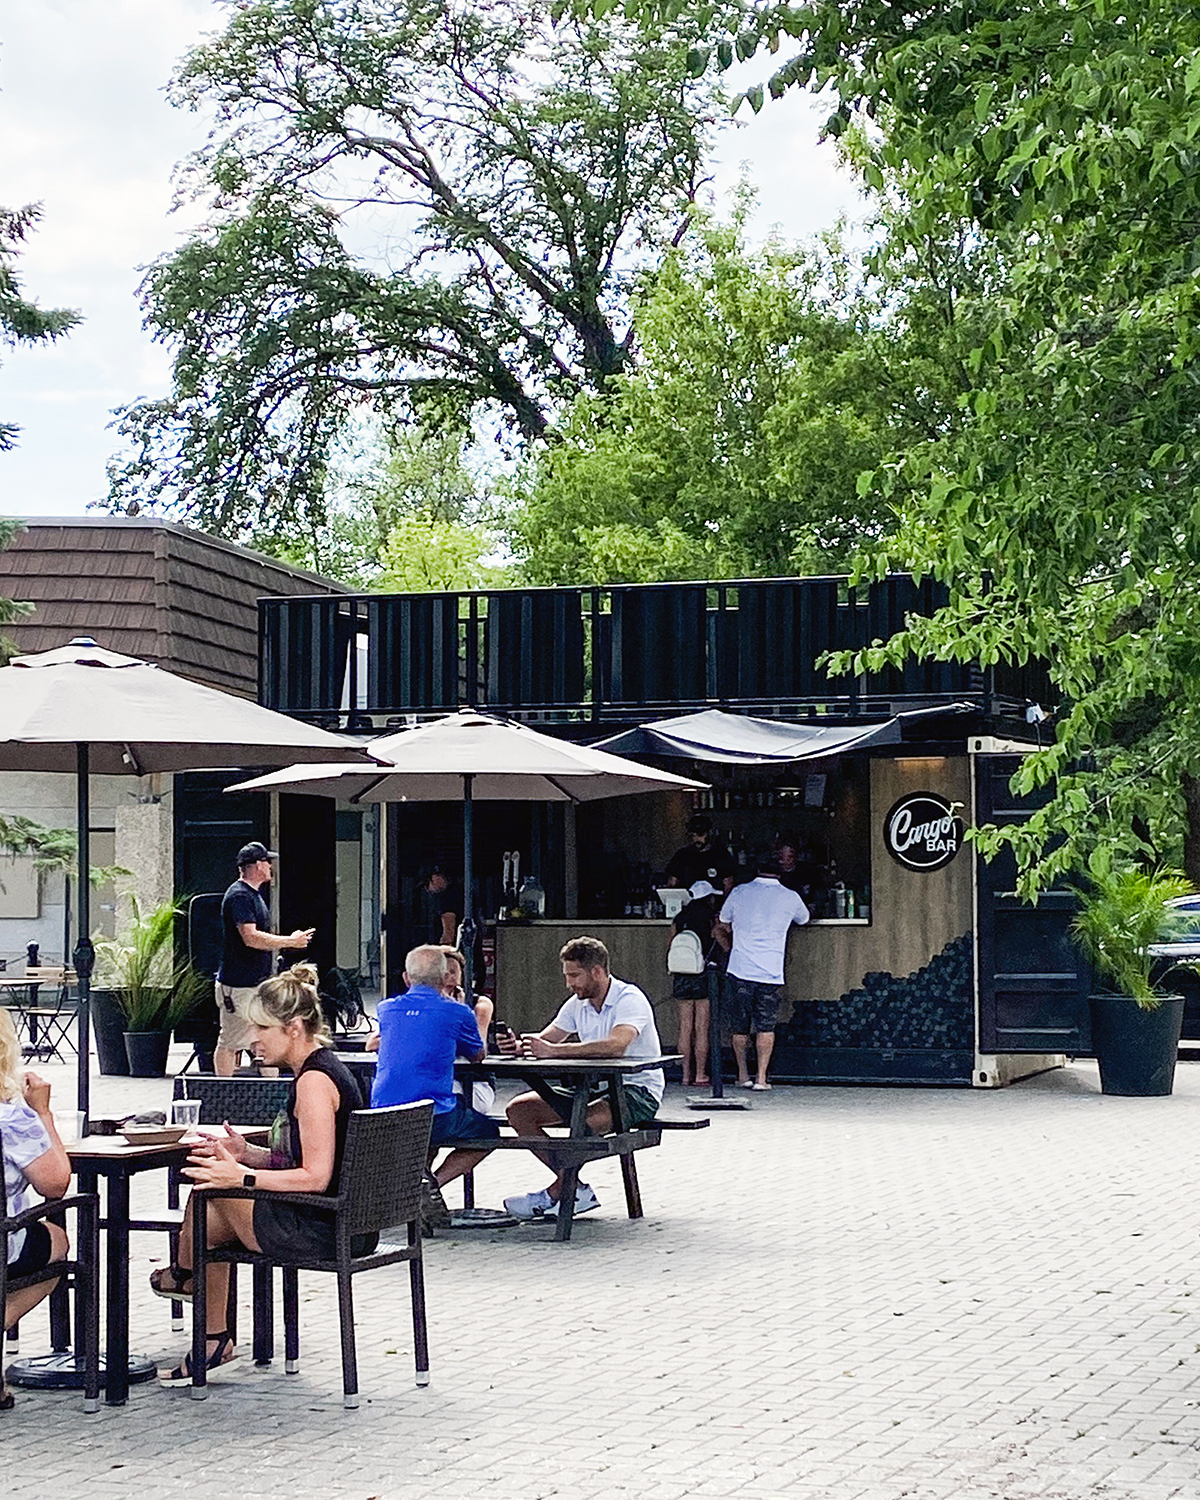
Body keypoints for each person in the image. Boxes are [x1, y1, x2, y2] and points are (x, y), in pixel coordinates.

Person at [150, 963, 368, 1385]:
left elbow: (315, 1177)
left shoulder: (315, 1083)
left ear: (293, 1029)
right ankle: (204, 1318)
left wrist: (241, 1178)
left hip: (322, 1226)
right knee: (210, 1199)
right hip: (334, 1217)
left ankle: (186, 1280)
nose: (251, 1040)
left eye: (261, 1030)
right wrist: (247, 1153)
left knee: (211, 1188)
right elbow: (302, 1157)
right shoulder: (317, 1070)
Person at [502, 936, 664, 1222]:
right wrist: (520, 1046)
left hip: (636, 1090)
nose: (569, 983)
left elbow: (616, 1045)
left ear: (597, 972)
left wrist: (554, 1052)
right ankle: (573, 1187)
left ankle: (557, 1192)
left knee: (584, 1123)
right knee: (519, 1110)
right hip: (590, 1090)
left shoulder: (630, 999)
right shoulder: (578, 1003)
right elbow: (547, 1039)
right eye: (567, 975)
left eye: (574, 975)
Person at [370, 945, 499, 1193]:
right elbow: (478, 1055)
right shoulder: (457, 1011)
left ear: (407, 978)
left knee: (426, 1136)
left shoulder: (386, 1008)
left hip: (382, 1110)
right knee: (489, 1133)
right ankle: (430, 1186)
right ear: (444, 979)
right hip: (433, 1113)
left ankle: (411, 1190)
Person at [0, 1010, 71, 1408]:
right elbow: (56, 1184)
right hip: (4, 1246)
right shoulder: (13, 1119)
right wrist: (42, 1112)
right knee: (57, 1240)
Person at [215, 841, 315, 1077]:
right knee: (231, 1040)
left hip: (254, 983)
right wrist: (290, 942)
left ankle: (269, 1091)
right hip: (239, 986)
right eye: (267, 862)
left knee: (263, 1037)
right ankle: (222, 1091)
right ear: (258, 865)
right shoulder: (240, 896)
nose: (271, 866)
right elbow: (250, 937)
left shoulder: (252, 895)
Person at [716, 852, 809, 1091]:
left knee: (739, 1027)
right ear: (780, 872)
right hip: (770, 971)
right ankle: (761, 1078)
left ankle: (742, 1075)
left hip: (739, 969)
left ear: (756, 870)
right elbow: (804, 919)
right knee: (766, 1026)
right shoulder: (790, 897)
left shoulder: (739, 892)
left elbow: (723, 921)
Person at [668, 879, 725, 1086]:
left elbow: (670, 944)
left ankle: (685, 1075)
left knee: (685, 1026)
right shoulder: (711, 918)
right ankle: (700, 1074)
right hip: (703, 975)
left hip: (681, 974)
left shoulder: (679, 918)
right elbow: (722, 943)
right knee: (701, 1026)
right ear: (709, 897)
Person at [664, 815, 735, 893]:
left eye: (700, 835)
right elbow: (672, 884)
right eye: (693, 836)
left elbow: (728, 886)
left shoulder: (721, 855)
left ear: (709, 833)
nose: (697, 839)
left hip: (714, 902)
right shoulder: (682, 855)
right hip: (687, 902)